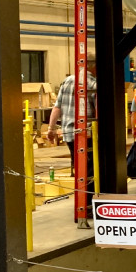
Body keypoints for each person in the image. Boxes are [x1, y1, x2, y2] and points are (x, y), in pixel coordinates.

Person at [47, 57, 96, 228]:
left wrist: (51, 129)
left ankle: (81, 203)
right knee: (90, 170)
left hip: (69, 133)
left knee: (79, 168)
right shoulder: (93, 84)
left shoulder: (67, 81)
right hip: (87, 134)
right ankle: (87, 205)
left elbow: (57, 107)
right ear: (94, 66)